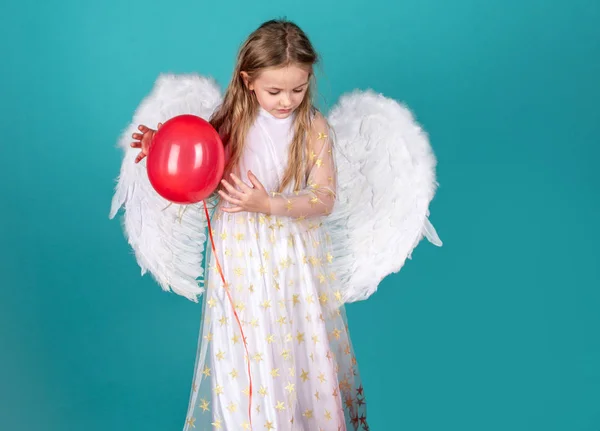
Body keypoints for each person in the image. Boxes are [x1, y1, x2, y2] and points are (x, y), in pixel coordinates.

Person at [112, 18, 441, 431]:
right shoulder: (230, 123)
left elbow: (324, 198)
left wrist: (268, 203)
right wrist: (161, 144)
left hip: (292, 256)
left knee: (298, 346)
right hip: (240, 259)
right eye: (275, 91)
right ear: (248, 80)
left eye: (298, 89)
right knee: (247, 351)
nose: (287, 100)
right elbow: (200, 163)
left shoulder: (313, 128)